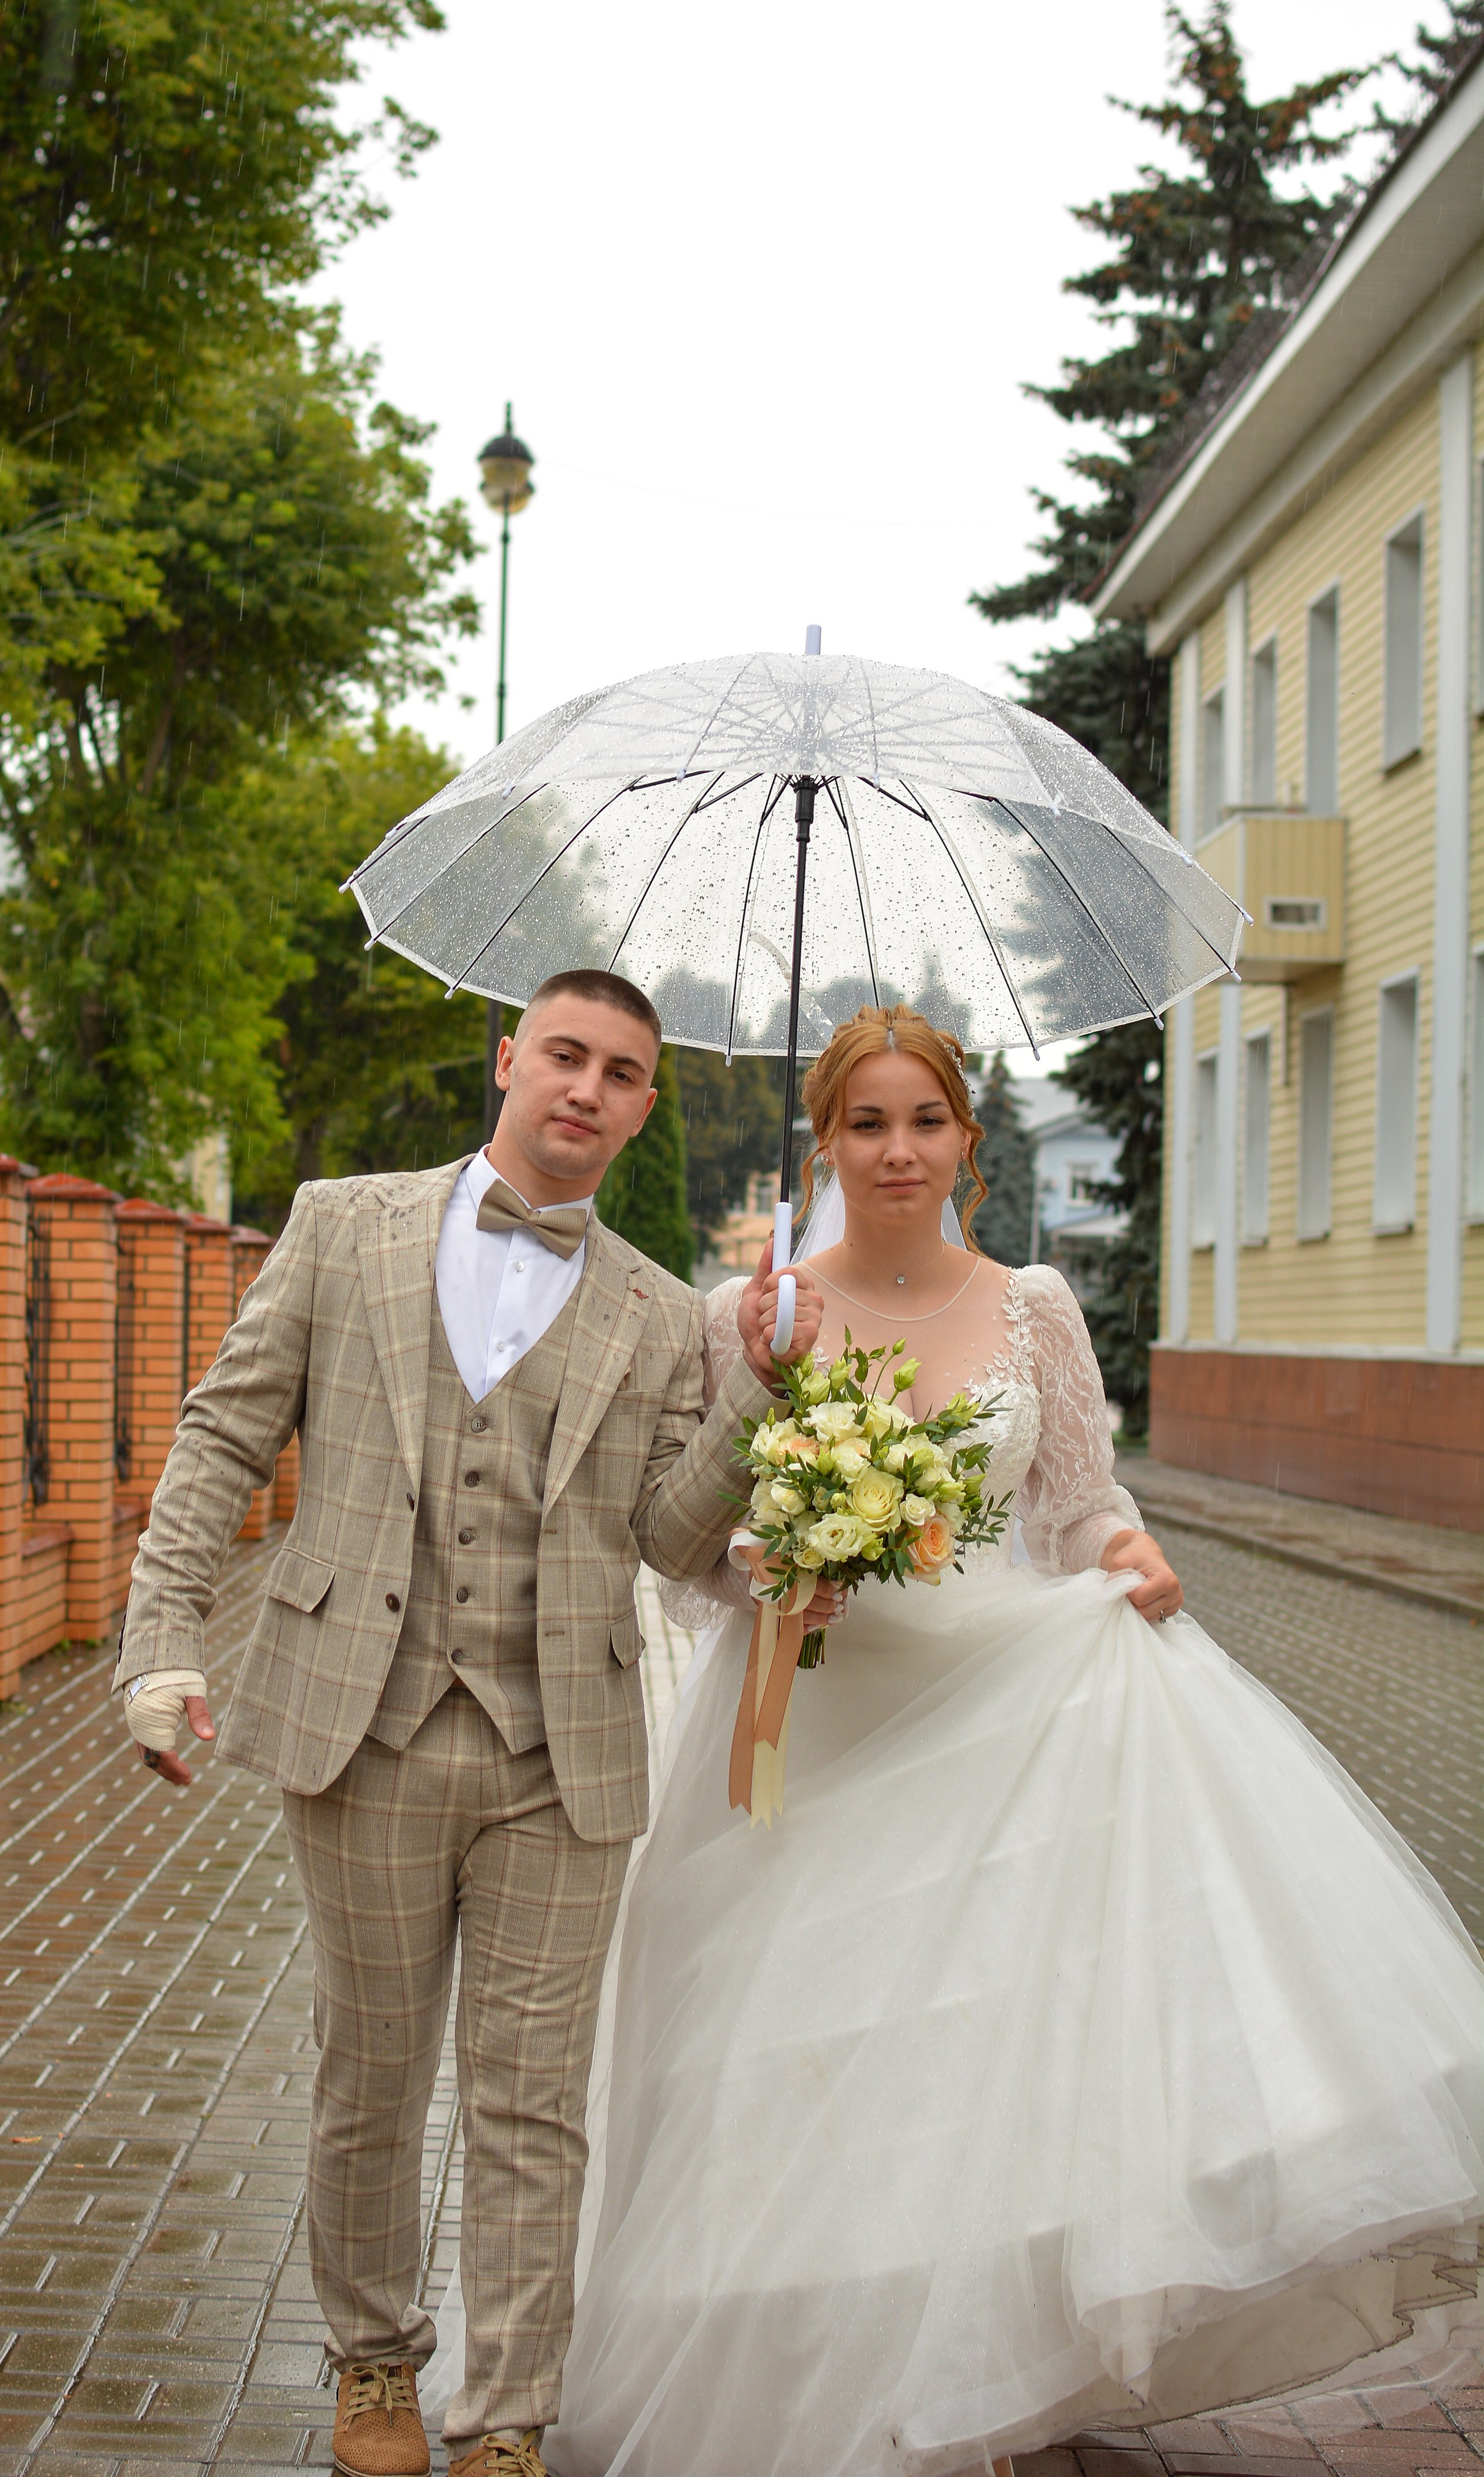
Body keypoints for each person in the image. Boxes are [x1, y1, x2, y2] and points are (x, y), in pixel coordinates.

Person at [545, 1003, 1484, 2477]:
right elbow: (688, 1543)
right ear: (825, 1143)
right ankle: (826, 2372)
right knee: (815, 2054)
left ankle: (970, 2381)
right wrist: (772, 1560)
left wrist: (1131, 1548)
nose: (897, 1150)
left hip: (1001, 1707)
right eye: (866, 1124)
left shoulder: (1033, 1307)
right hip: (820, 1722)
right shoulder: (757, 1317)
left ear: (967, 1140)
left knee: (971, 2049)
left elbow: (1076, 1502)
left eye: (924, 1121)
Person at [111, 969, 823, 2477]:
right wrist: (159, 1643)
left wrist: (754, 1394)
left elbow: (668, 1537)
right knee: (368, 2074)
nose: (585, 1088)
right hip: (359, 1725)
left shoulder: (656, 1307)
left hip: (560, 1749)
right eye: (565, 1054)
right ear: (509, 1059)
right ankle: (374, 2362)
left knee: (530, 2101)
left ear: (643, 1107)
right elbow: (224, 1433)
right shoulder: (341, 1225)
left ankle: (507, 2417)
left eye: (619, 1073)